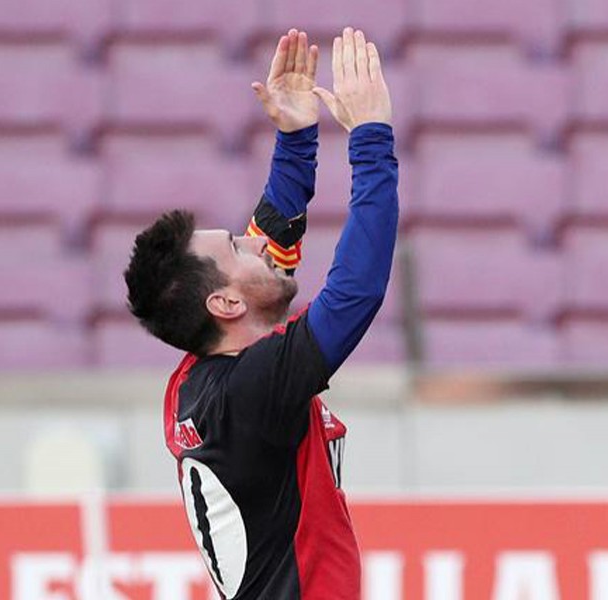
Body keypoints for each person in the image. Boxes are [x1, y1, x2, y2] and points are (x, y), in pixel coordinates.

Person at [123, 26, 397, 600]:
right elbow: (356, 291)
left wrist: (296, 136)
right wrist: (371, 139)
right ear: (224, 303)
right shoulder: (252, 388)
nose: (257, 243)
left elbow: (273, 230)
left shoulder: (201, 377)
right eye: (239, 248)